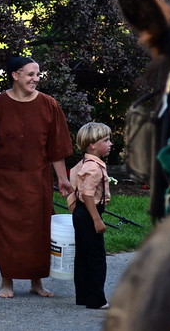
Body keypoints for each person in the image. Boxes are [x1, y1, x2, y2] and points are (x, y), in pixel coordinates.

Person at [0, 56, 73, 298]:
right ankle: (6, 282)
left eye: (38, 74)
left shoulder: (49, 105)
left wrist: (62, 178)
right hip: (2, 182)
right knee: (5, 231)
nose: (36, 79)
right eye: (30, 74)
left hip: (36, 180)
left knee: (39, 231)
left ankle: (36, 282)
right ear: (15, 75)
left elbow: (57, 149)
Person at [68, 122, 112, 309]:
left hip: (80, 212)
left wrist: (75, 210)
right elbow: (87, 194)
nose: (110, 143)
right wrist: (96, 219)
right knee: (96, 258)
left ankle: (83, 296)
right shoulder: (94, 168)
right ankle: (96, 300)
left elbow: (74, 187)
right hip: (89, 212)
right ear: (93, 145)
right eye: (106, 140)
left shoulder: (83, 164)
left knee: (83, 256)